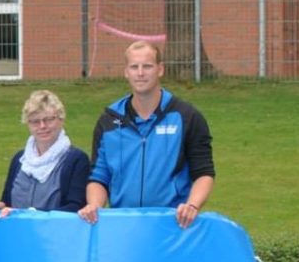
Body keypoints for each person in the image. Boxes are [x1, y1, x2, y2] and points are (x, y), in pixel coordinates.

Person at [82, 41, 216, 228]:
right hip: (122, 225)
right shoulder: (108, 121)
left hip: (171, 224)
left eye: (147, 66)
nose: (140, 73)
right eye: (134, 67)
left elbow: (204, 173)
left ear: (160, 69)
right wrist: (94, 206)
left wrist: (191, 206)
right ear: (126, 72)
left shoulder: (187, 117)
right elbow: (99, 176)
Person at [0, 90, 93, 221]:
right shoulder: (19, 160)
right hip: (17, 235)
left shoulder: (76, 160)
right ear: (28, 124)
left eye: (48, 119)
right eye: (35, 121)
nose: (42, 126)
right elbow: (7, 203)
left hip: (57, 237)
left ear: (61, 120)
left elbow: (75, 208)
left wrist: (32, 214)